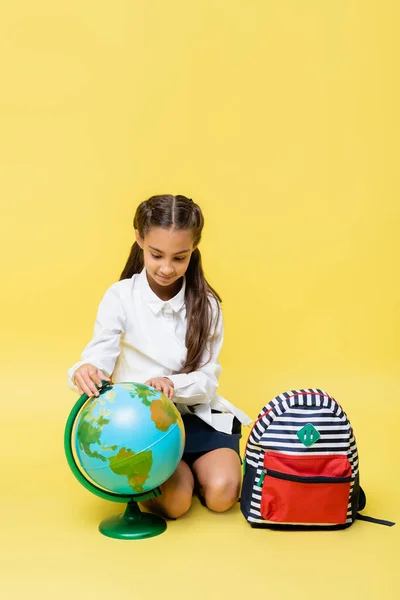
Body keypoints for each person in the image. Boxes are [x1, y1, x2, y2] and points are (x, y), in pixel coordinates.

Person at [67, 194, 252, 519]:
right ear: (139, 239)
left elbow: (208, 381)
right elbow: (99, 354)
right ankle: (179, 474)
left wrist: (172, 384)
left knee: (223, 494)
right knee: (176, 505)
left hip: (198, 416)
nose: (167, 268)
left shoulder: (207, 305)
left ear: (194, 248)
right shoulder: (120, 297)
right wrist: (85, 370)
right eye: (156, 255)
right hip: (145, 426)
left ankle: (197, 469)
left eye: (179, 258)